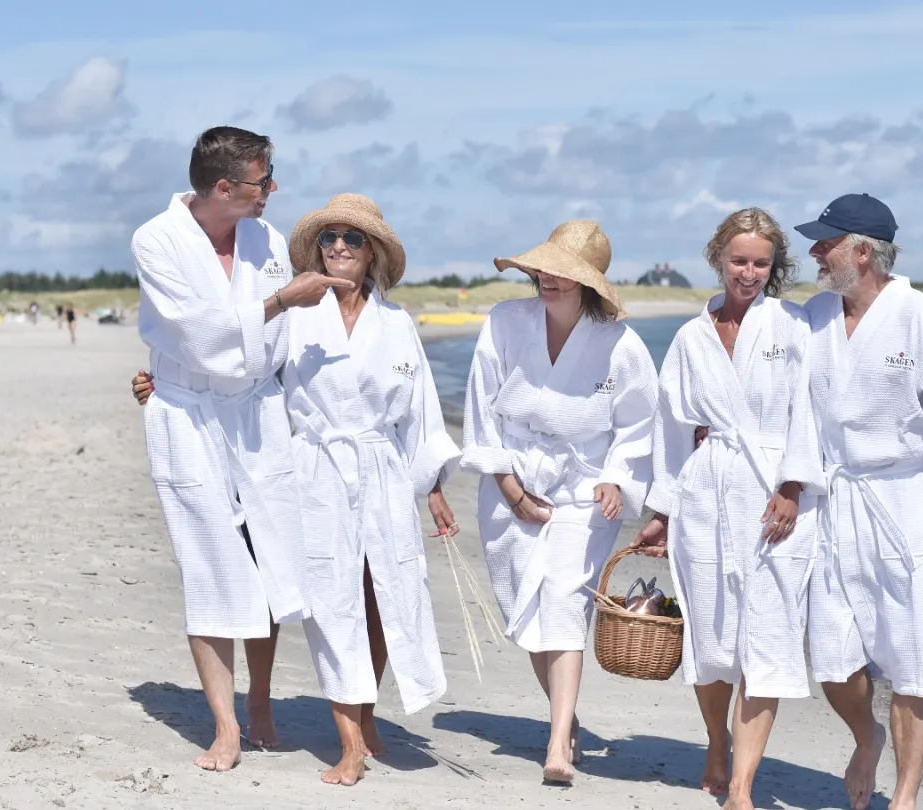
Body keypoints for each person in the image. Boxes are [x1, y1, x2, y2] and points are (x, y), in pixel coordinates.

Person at [133, 193, 459, 787]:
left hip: (382, 471)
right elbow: (240, 369)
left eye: (352, 239)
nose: (338, 246)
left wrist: (434, 483)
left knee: (384, 598)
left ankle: (368, 712)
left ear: (373, 254)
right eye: (329, 237)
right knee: (332, 604)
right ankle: (350, 743)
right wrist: (167, 384)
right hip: (312, 469)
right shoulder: (296, 313)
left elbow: (420, 412)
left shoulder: (397, 324)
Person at [131, 126, 352, 773]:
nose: (273, 190)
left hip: (259, 410)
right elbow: (197, 334)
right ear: (224, 187)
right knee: (210, 567)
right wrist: (282, 298)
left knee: (269, 558)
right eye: (263, 180)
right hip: (189, 413)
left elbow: (284, 340)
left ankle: (260, 698)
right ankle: (225, 726)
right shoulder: (158, 239)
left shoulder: (265, 237)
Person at [791, 193, 923, 810]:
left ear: (863, 251)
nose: (814, 252)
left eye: (825, 242)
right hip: (839, 500)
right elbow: (788, 404)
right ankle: (865, 736)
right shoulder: (816, 318)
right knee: (831, 656)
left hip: (911, 505)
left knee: (916, 658)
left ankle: (905, 798)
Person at [630, 208, 820, 809]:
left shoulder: (791, 326)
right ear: (719, 259)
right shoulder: (691, 337)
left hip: (773, 495)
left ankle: (742, 783)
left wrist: (793, 485)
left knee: (767, 634)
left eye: (761, 263)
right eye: (739, 260)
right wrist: (661, 508)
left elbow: (809, 411)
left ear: (774, 266)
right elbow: (671, 427)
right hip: (707, 493)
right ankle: (717, 742)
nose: (750, 272)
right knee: (711, 637)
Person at [461, 220, 657, 784]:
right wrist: (510, 489)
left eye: (565, 273)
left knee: (565, 598)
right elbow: (481, 408)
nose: (550, 279)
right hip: (513, 475)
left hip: (582, 487)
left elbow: (638, 421)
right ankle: (564, 721)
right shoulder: (505, 322)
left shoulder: (620, 344)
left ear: (589, 283)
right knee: (528, 603)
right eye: (545, 268)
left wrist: (616, 478)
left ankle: (556, 746)